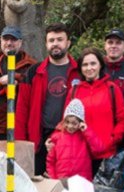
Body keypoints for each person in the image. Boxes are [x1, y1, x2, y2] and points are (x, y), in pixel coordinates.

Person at [15, 23, 79, 174]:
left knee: (64, 188)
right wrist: (21, 143)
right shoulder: (34, 72)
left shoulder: (79, 72)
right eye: (51, 40)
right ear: (46, 44)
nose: (55, 44)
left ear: (68, 43)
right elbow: (22, 109)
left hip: (69, 138)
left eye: (59, 39)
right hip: (38, 139)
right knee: (37, 187)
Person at [63, 48, 124, 178]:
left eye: (93, 63)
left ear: (100, 65)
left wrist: (113, 139)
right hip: (80, 154)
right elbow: (64, 121)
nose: (89, 68)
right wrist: (55, 139)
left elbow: (123, 119)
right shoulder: (74, 91)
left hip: (105, 154)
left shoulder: (111, 88)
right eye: (85, 64)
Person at [0, 25, 37, 141]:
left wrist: (17, 80)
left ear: (20, 42)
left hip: (22, 126)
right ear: (1, 41)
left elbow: (37, 94)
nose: (9, 43)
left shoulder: (31, 66)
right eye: (6, 39)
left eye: (13, 39)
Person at [45, 99, 105, 181]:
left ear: (81, 123)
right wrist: (54, 179)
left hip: (82, 182)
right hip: (62, 181)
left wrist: (87, 131)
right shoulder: (56, 138)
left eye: (74, 123)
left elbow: (99, 149)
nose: (70, 126)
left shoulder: (85, 137)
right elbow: (50, 162)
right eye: (67, 122)